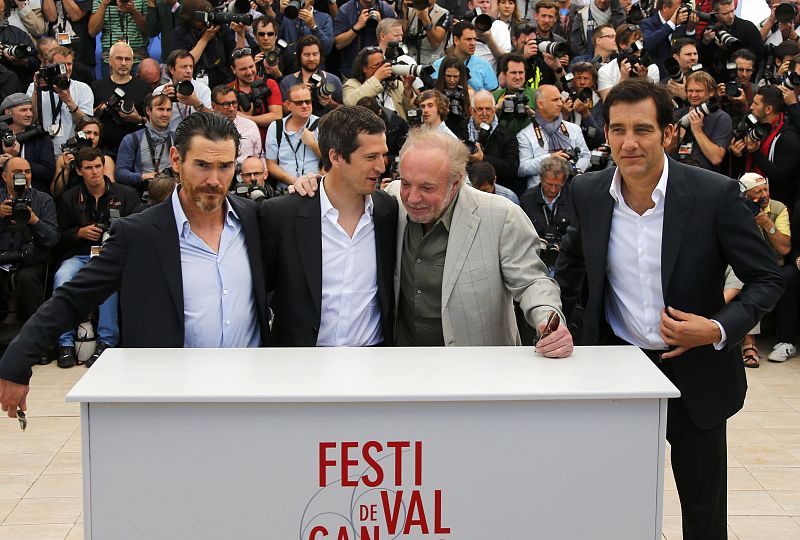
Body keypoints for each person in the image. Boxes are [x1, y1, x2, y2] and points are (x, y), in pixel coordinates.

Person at [555, 79, 784, 540]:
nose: (629, 142)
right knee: (615, 504)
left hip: (696, 372)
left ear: (668, 134)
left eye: (642, 129)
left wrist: (718, 329)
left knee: (702, 511)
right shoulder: (588, 192)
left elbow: (768, 278)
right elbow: (573, 266)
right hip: (618, 370)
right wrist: (566, 324)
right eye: (617, 129)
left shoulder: (714, 194)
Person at [0, 112, 270, 419]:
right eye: (202, 165)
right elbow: (72, 298)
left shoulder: (254, 219)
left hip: (250, 396)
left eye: (225, 166)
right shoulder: (138, 234)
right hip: (173, 402)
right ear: (176, 159)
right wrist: (16, 362)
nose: (214, 180)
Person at [260, 105, 397, 346]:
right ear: (336, 157)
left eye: (383, 155)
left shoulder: (389, 212)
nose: (381, 166)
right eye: (370, 157)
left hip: (373, 368)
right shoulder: (282, 215)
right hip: (301, 369)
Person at [53, 147, 141, 368]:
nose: (94, 172)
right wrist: (78, 233)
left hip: (110, 256)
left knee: (108, 281)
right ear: (79, 171)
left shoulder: (126, 194)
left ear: (104, 166)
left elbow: (138, 231)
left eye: (98, 166)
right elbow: (57, 236)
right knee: (62, 276)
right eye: (89, 168)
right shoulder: (69, 197)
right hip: (80, 254)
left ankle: (106, 342)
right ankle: (64, 343)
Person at [736, 172, 791, 368]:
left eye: (765, 189)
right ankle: (748, 343)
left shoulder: (778, 208)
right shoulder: (736, 208)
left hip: (771, 265)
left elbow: (784, 248)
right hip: (742, 263)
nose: (764, 195)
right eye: (757, 191)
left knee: (755, 281)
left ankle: (751, 343)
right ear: (745, 195)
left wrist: (767, 223)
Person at [0, 157, 58, 340]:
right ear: (4, 176)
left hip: (31, 261)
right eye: (18, 173)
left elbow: (53, 239)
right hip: (1, 259)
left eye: (27, 172)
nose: (23, 176)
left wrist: (35, 221)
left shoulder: (44, 200)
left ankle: (41, 341)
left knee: (27, 278)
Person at [730, 85, 800, 210]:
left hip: (775, 206)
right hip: (745, 199)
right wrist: (737, 155)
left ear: (768, 109)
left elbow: (780, 176)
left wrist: (756, 153)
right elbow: (742, 170)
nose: (751, 107)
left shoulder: (788, 137)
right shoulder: (751, 127)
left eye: (756, 104)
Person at [26, 45, 93, 157]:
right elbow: (30, 120)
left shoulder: (83, 88)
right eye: (62, 65)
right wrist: (36, 92)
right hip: (43, 152)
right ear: (49, 65)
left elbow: (88, 125)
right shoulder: (35, 87)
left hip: (73, 151)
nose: (67, 68)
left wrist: (69, 101)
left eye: (69, 64)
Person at [517, 84, 590, 188]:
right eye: (555, 100)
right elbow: (522, 169)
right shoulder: (525, 135)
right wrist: (549, 159)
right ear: (540, 104)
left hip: (571, 188)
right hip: (539, 192)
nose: (560, 104)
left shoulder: (573, 129)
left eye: (560, 99)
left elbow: (586, 156)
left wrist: (573, 170)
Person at [172, 0, 253, 88]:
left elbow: (237, 57)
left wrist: (241, 34)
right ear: (190, 19)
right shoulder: (180, 34)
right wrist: (204, 39)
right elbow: (185, 63)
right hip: (196, 84)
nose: (205, 22)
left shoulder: (219, 28)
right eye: (201, 19)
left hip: (224, 81)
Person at [90, 41, 151, 156]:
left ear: (133, 62)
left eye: (127, 59)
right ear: (110, 61)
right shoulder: (97, 87)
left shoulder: (144, 87)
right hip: (104, 150)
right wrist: (102, 108)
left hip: (137, 150)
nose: (123, 63)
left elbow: (154, 121)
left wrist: (137, 119)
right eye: (119, 58)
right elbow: (87, 119)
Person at [670, 70, 732, 172]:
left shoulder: (721, 118)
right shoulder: (676, 115)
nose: (693, 95)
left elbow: (716, 158)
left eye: (698, 91)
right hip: (677, 173)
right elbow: (662, 153)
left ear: (711, 92)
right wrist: (674, 141)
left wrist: (698, 131)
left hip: (704, 178)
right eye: (690, 91)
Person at [265, 84, 320, 192]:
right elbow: (271, 164)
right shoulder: (276, 127)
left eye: (308, 101)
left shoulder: (322, 124)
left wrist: (312, 144)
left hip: (315, 189)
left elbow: (330, 161)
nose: (304, 106)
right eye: (299, 102)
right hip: (286, 190)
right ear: (288, 105)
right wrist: (294, 181)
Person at [116, 92, 174, 191]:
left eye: (168, 110)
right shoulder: (132, 139)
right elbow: (120, 173)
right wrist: (142, 177)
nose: (165, 114)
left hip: (171, 194)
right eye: (160, 109)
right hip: (144, 196)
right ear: (148, 111)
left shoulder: (177, 139)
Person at [468, 90, 522, 194]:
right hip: (468, 188)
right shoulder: (461, 130)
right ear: (472, 111)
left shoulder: (506, 134)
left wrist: (483, 158)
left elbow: (512, 168)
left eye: (488, 109)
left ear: (493, 111)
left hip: (499, 191)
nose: (484, 113)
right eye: (480, 109)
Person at [0, 93, 55, 195]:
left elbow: (48, 172)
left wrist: (15, 160)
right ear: (8, 112)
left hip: (36, 196)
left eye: (30, 109)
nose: (29, 114)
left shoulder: (40, 137)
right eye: (23, 110)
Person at [698, 0, 764, 83]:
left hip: (743, 81)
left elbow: (760, 55)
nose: (731, 16)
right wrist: (705, 43)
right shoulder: (709, 32)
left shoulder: (748, 28)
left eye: (732, 11)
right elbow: (703, 61)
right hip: (716, 81)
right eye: (725, 13)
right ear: (715, 13)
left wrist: (732, 49)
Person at [279, 35, 343, 117]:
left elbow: (345, 112)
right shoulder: (287, 81)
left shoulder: (333, 80)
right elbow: (282, 112)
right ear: (299, 56)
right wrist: (297, 97)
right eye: (307, 55)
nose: (311, 59)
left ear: (320, 55)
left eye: (315, 54)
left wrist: (330, 103)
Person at [343, 46, 414, 121]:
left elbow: (412, 112)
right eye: (377, 65)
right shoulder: (352, 84)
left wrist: (408, 91)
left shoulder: (396, 84)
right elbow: (350, 103)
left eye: (383, 64)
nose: (381, 68)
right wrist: (377, 78)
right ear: (364, 68)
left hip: (398, 130)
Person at [51, 117, 116, 199]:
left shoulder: (105, 159)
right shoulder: (64, 158)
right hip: (71, 202)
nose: (92, 137)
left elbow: (111, 191)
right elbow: (56, 193)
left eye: (96, 134)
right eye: (88, 132)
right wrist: (66, 169)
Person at [154, 50, 214, 138]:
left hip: (197, 138)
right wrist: (163, 101)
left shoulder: (202, 89)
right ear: (171, 69)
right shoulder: (159, 91)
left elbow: (213, 119)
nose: (189, 71)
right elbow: (152, 122)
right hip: (167, 138)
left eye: (191, 66)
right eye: (184, 67)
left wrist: (197, 104)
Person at [597, 23, 660, 101]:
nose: (640, 47)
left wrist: (643, 79)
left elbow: (655, 102)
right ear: (622, 44)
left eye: (641, 42)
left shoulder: (651, 68)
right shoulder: (605, 71)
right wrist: (623, 79)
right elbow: (607, 103)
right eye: (636, 43)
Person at [228, 48, 285, 136]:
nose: (249, 72)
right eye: (243, 69)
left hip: (267, 144)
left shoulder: (269, 84)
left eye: (251, 66)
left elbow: (277, 116)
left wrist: (245, 118)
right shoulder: (228, 90)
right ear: (233, 69)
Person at [333, 0, 396, 78]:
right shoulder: (346, 9)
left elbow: (395, 41)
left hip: (381, 71)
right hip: (351, 72)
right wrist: (357, 26)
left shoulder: (385, 9)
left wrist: (380, 24)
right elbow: (339, 44)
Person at [430, 21, 498, 92]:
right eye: (468, 39)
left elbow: (494, 94)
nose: (473, 43)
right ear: (456, 40)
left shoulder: (484, 66)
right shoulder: (438, 65)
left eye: (474, 39)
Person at [88, 0, 149, 77]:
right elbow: (92, 31)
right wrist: (103, 5)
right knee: (109, 89)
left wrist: (133, 11)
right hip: (110, 58)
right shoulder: (100, 1)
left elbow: (148, 30)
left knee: (138, 88)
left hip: (137, 56)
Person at [640, 0, 697, 81]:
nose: (682, 11)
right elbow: (648, 44)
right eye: (678, 8)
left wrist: (690, 29)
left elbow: (691, 48)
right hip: (659, 78)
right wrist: (671, 24)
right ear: (665, 7)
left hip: (684, 78)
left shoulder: (683, 23)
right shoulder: (647, 24)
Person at [210, 85, 262, 165]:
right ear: (214, 106)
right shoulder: (206, 128)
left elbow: (259, 156)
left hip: (246, 173)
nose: (231, 109)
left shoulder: (250, 126)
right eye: (226, 104)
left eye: (234, 103)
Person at [562, 61, 605, 150]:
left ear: (593, 82)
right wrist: (564, 115)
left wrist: (586, 115)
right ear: (572, 80)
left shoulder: (599, 104)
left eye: (586, 78)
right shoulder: (563, 99)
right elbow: (553, 134)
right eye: (578, 78)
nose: (582, 82)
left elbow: (600, 140)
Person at [493, 52, 536, 135]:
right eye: (513, 73)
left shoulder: (536, 95)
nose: (517, 77)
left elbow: (547, 123)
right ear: (504, 74)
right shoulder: (495, 96)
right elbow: (482, 122)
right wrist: (497, 108)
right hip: (503, 143)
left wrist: (532, 114)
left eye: (521, 72)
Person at [464, 0, 512, 70]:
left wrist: (489, 40)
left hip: (488, 76)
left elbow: (505, 60)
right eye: (481, 2)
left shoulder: (499, 26)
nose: (485, 6)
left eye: (487, 2)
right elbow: (450, 53)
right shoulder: (463, 25)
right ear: (470, 5)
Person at [400, 0, 449, 65]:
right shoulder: (411, 10)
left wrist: (426, 20)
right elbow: (402, 35)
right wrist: (405, 10)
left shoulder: (443, 13)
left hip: (431, 62)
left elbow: (435, 43)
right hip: (410, 60)